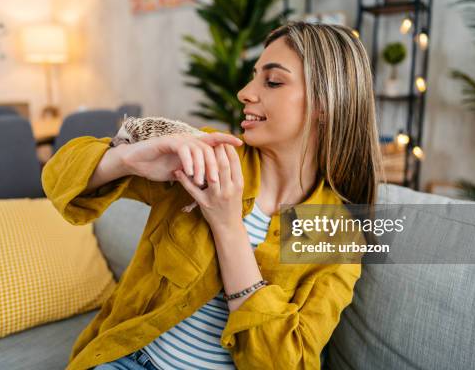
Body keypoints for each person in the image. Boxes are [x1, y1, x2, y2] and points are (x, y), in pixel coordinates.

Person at [42, 21, 382, 370]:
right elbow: (57, 179)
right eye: (253, 76)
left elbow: (285, 362)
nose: (245, 92)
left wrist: (228, 227)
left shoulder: (334, 232)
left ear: (325, 103)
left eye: (273, 81)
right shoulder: (210, 154)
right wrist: (126, 159)